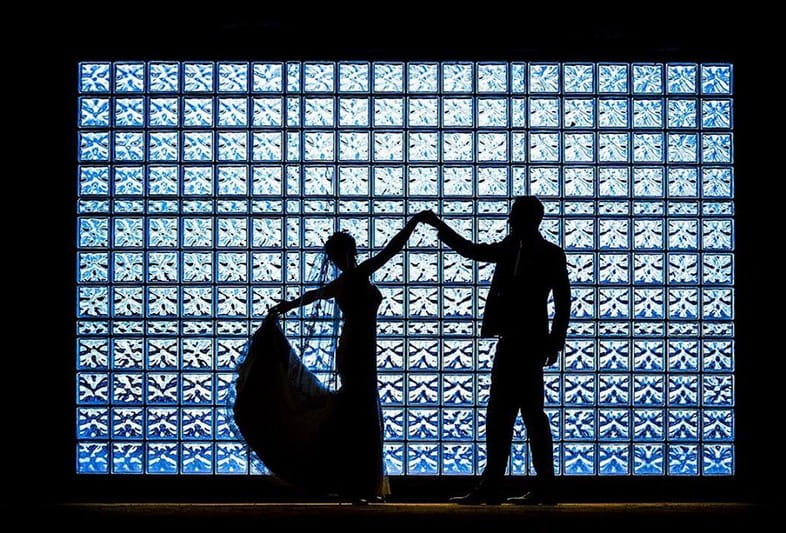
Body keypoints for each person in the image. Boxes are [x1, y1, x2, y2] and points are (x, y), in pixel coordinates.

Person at [234, 213, 425, 504]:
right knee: (360, 413)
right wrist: (415, 222)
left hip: (357, 349)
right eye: (337, 256)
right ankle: (359, 484)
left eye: (341, 254)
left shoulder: (348, 280)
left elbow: (315, 294)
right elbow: (392, 249)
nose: (340, 260)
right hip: (354, 351)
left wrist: (287, 306)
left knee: (359, 412)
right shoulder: (356, 276)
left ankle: (358, 483)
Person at [420, 197, 571, 505]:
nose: (509, 221)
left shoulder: (541, 253)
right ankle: (536, 487)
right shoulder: (531, 251)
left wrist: (554, 342)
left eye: (514, 216)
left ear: (526, 220)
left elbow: (563, 302)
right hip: (519, 343)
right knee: (517, 415)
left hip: (523, 344)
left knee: (513, 414)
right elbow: (471, 251)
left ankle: (502, 486)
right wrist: (439, 226)